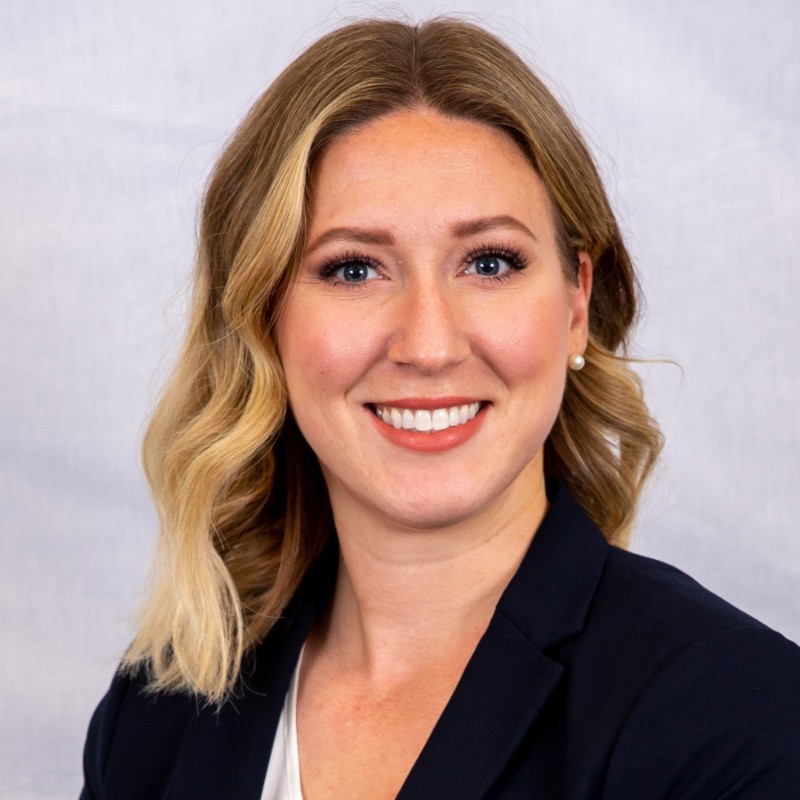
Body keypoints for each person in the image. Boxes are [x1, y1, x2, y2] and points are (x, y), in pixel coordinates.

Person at [80, 17, 800, 800]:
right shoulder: (157, 715)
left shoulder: (739, 723)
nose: (427, 344)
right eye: (354, 269)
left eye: (489, 262)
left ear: (576, 306)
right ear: (262, 320)